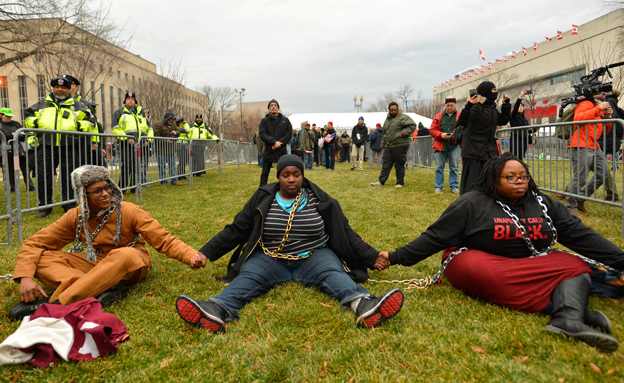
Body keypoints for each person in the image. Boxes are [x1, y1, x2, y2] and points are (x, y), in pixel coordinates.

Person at [376, 152, 624, 353]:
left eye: (524, 176)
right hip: (481, 262)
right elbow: (435, 237)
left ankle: (569, 319)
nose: (520, 181)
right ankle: (568, 307)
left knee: (575, 266)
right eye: (511, 177)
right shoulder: (471, 204)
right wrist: (395, 257)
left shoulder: (542, 203)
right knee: (479, 269)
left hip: (530, 264)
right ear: (494, 179)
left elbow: (579, 235)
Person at [175, 154, 404, 333]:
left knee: (335, 275)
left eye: (296, 174)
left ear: (303, 176)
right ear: (279, 177)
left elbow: (346, 232)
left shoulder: (320, 199)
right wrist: (206, 252)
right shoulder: (263, 197)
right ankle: (216, 309)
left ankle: (363, 305)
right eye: (286, 174)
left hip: (315, 256)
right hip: (269, 257)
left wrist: (373, 257)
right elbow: (237, 229)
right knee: (248, 278)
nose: (291, 179)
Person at [8, 165, 199, 320]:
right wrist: (25, 276)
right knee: (43, 258)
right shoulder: (76, 216)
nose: (105, 193)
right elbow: (34, 244)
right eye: (96, 190)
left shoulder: (129, 210)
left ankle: (57, 304)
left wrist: (192, 255)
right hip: (97, 263)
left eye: (107, 187)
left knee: (124, 254)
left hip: (131, 262)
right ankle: (98, 290)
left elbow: (164, 240)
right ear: (84, 196)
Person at [24, 76, 92, 218]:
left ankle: (69, 206)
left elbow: (91, 123)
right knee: (43, 176)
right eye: (57, 87)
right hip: (46, 145)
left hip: (69, 146)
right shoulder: (43, 104)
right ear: (53, 88)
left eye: (63, 88)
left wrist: (78, 125)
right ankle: (45, 207)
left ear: (68, 89)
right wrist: (37, 122)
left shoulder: (78, 105)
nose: (59, 90)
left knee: (69, 177)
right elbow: (27, 118)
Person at [457, 81, 511, 195]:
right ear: (486, 92)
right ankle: (469, 204)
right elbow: (461, 122)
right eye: (493, 91)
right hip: (473, 150)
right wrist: (468, 106)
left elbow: (503, 120)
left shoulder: (492, 109)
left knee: (490, 179)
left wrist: (506, 105)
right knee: (472, 183)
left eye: (496, 91)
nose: (495, 93)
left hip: (488, 150)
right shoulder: (476, 106)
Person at [565, 93, 613, 215]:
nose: (603, 94)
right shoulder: (586, 103)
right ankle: (570, 207)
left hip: (594, 146)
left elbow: (606, 130)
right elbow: (578, 118)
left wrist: (608, 117)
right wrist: (598, 109)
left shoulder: (598, 106)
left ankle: (580, 199)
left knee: (604, 174)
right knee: (580, 178)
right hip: (581, 144)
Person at [111, 92, 152, 192]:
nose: (130, 100)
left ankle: (134, 187)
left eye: (132, 98)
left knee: (137, 166)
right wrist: (126, 139)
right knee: (127, 165)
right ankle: (123, 188)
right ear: (125, 101)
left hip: (140, 144)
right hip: (126, 144)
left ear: (135, 101)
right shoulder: (119, 112)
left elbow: (149, 128)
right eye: (128, 98)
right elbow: (115, 128)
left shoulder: (141, 113)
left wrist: (148, 140)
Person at [371, 102, 416, 188]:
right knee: (386, 164)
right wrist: (383, 145)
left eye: (395, 110)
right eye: (391, 110)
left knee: (399, 164)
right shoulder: (387, 120)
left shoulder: (403, 117)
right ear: (389, 110)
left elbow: (413, 125)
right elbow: (385, 133)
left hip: (401, 145)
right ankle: (381, 181)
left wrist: (403, 133)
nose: (393, 112)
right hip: (389, 145)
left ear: (397, 109)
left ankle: (400, 182)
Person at [0, 108, 36, 192]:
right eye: (7, 116)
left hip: (20, 151)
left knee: (25, 169)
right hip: (8, 152)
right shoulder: (1, 125)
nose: (9, 118)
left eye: (10, 116)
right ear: (1, 115)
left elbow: (24, 133)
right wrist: (12, 135)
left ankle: (30, 187)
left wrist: (20, 135)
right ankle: (14, 188)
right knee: (11, 171)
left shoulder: (16, 124)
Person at [430, 97, 460, 194]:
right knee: (439, 167)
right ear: (445, 105)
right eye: (448, 105)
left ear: (455, 105)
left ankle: (454, 186)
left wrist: (454, 136)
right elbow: (432, 130)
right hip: (440, 145)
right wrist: (441, 135)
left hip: (454, 145)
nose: (450, 107)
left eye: (451, 105)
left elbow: (462, 129)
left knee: (454, 167)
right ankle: (438, 187)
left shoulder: (460, 116)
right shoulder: (438, 116)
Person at [258, 99, 292, 186]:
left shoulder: (285, 120)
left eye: (275, 105)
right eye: (271, 105)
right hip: (269, 150)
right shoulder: (264, 121)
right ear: (269, 108)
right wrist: (273, 142)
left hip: (281, 151)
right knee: (265, 173)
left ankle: (283, 189)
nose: (273, 107)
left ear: (278, 108)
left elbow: (289, 134)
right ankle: (262, 191)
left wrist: (279, 143)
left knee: (283, 173)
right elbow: (262, 134)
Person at [152, 110, 183, 187]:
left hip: (171, 149)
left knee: (172, 165)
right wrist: (166, 140)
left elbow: (178, 131)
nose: (172, 120)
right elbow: (156, 136)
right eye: (171, 119)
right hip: (161, 149)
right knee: (162, 166)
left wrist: (176, 133)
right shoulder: (158, 125)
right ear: (167, 118)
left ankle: (174, 180)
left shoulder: (173, 124)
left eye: (173, 119)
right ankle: (163, 182)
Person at [508, 90, 534, 161]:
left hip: (524, 140)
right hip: (516, 139)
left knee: (521, 157)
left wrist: (533, 130)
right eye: (519, 106)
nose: (521, 107)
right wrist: (520, 96)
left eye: (522, 106)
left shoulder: (523, 118)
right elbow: (516, 107)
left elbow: (526, 128)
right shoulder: (513, 116)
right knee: (515, 157)